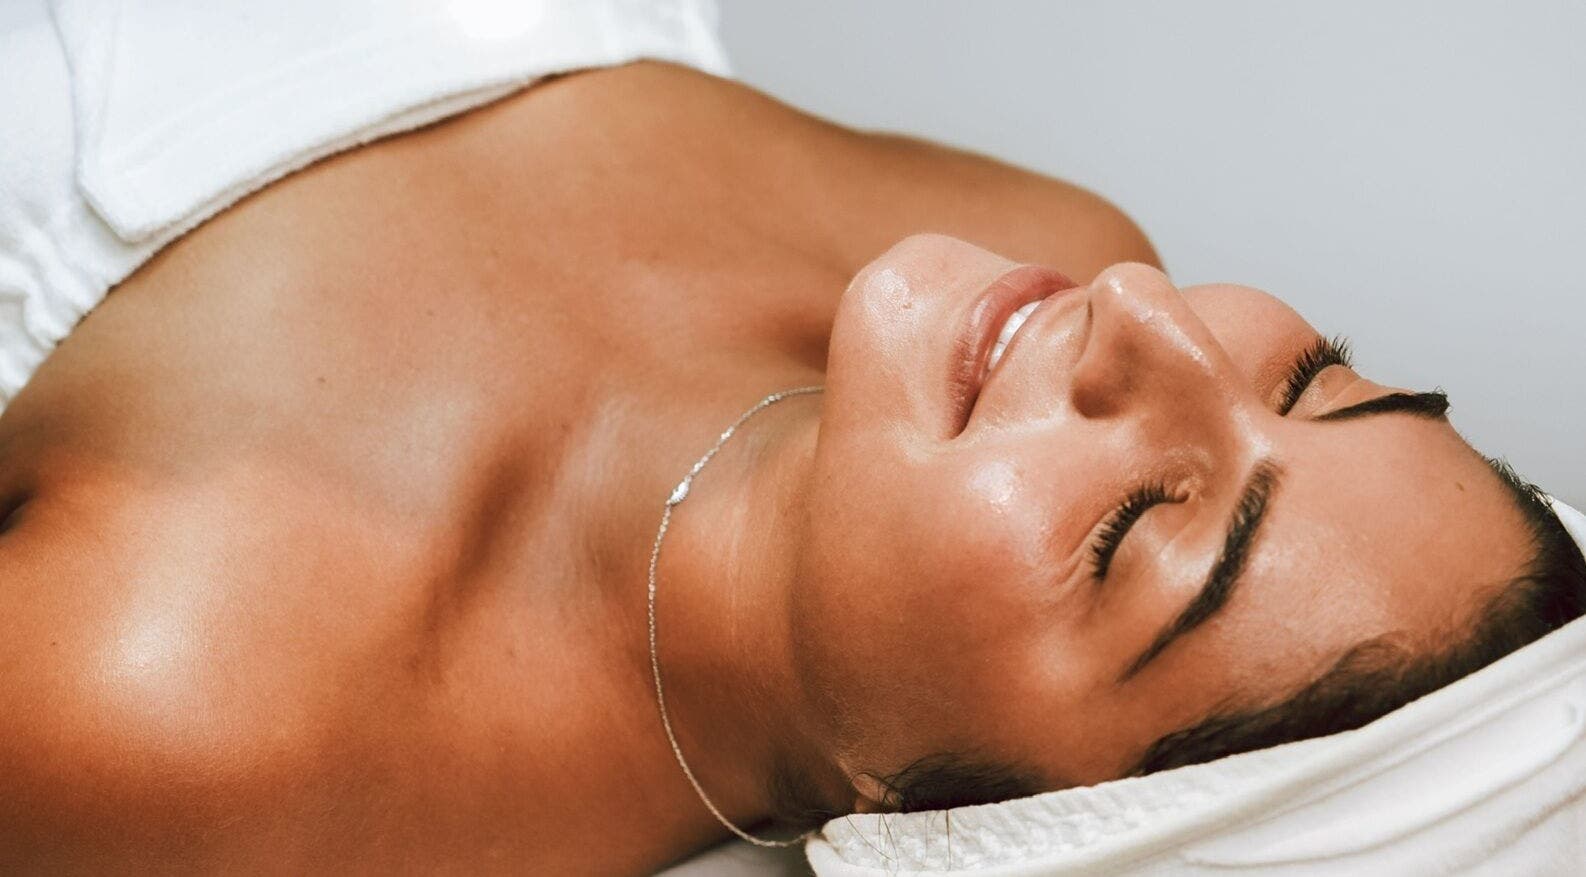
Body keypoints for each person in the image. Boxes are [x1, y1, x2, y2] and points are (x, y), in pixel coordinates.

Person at [2, 16, 1582, 877]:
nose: (1144, 321)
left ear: (945, 824)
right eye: (1311, 376)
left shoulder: (178, 714)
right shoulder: (1031, 232)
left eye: (1137, 530)